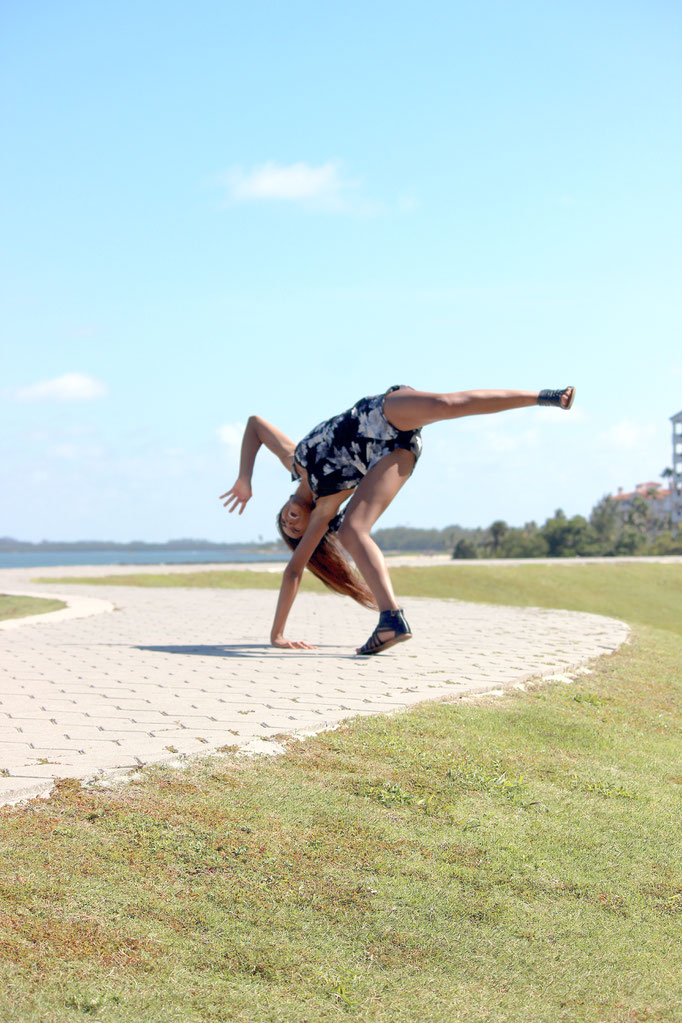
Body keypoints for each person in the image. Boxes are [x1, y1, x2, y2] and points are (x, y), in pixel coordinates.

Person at [220, 384, 575, 655]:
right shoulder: (326, 511)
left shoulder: (294, 460)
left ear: (282, 507)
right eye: (294, 530)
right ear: (310, 524)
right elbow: (293, 571)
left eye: (284, 522)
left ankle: (545, 397)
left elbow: (254, 425)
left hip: (381, 414)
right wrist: (276, 636)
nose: (290, 523)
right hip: (392, 453)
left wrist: (244, 479)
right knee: (352, 530)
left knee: (447, 405)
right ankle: (391, 619)